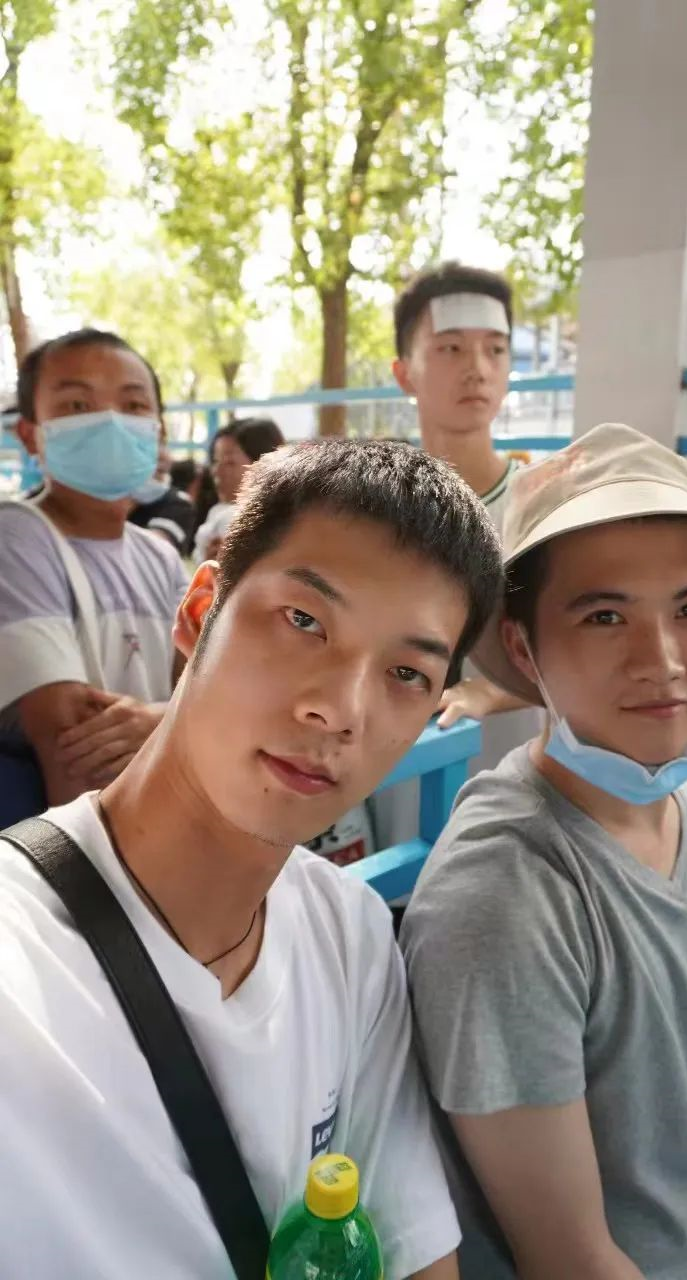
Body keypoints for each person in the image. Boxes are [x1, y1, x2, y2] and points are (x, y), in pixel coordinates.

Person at [0, 438, 502, 1279]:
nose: (339, 709)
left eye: (407, 674)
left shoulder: (349, 934)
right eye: (304, 621)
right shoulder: (20, 965)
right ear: (200, 612)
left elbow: (418, 1253)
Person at [402, 423, 687, 1280]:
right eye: (605, 616)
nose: (664, 659)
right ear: (524, 647)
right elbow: (567, 1253)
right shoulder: (505, 888)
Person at [0, 329, 188, 815]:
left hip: (167, 825)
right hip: (77, 846)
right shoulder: (16, 537)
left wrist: (163, 722)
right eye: (78, 405)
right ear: (30, 434)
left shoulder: (160, 559)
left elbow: (217, 695)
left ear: (157, 430)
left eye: (133, 405)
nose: (110, 423)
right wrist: (183, 724)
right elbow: (79, 759)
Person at [392, 262, 540, 750]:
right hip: (397, 765)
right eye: (451, 348)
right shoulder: (375, 509)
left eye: (495, 349)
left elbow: (588, 647)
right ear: (403, 373)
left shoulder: (544, 503)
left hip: (514, 768)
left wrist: (492, 691)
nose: (477, 369)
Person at [193, 417, 285, 562]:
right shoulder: (216, 515)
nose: (217, 471)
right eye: (215, 461)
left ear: (264, 466)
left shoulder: (284, 525)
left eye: (230, 463)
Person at [130, 422, 197, 555]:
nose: (163, 455)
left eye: (162, 443)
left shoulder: (177, 504)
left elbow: (151, 551)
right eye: (144, 444)